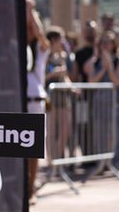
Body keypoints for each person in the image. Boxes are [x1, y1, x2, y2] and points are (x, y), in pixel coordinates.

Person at [84, 31, 119, 168]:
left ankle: (115, 164)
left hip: (116, 103)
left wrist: (110, 67)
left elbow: (117, 81)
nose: (105, 45)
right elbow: (91, 81)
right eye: (103, 43)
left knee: (115, 133)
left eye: (108, 42)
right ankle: (101, 163)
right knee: (100, 133)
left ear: (113, 44)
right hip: (99, 102)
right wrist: (102, 68)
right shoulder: (96, 62)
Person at [25, 0, 50, 204]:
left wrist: (31, 10)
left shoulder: (41, 50)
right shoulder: (16, 47)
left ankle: (31, 187)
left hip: (35, 102)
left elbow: (40, 34)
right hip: (19, 102)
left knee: (33, 148)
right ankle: (22, 187)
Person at [45, 27, 73, 160]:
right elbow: (41, 76)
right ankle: (51, 160)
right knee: (51, 130)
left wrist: (71, 87)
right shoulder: (46, 56)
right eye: (61, 38)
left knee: (65, 129)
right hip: (50, 96)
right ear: (54, 40)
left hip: (63, 96)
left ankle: (58, 158)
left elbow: (65, 76)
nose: (63, 41)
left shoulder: (62, 56)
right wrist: (53, 73)